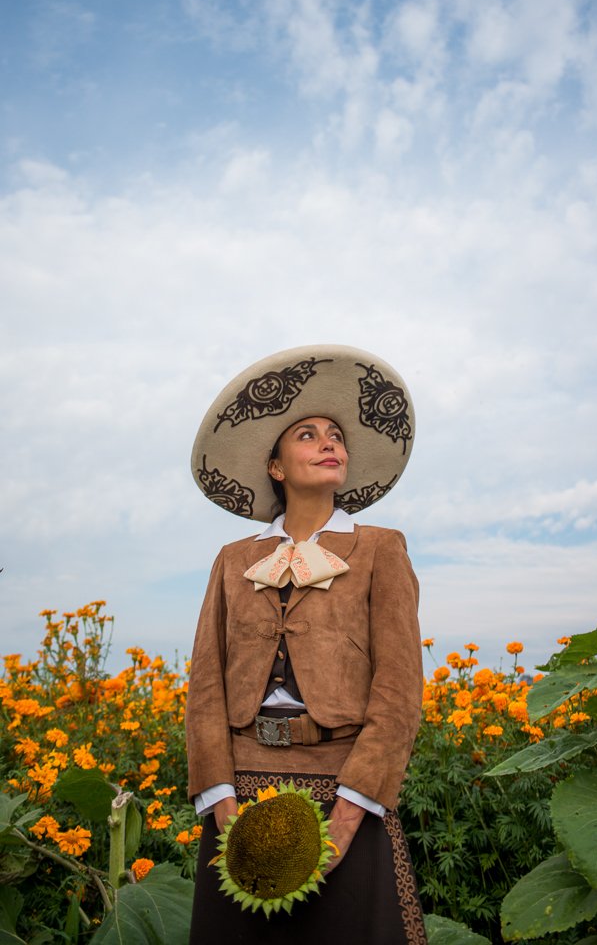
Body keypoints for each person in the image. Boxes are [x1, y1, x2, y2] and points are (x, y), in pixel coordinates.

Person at [186, 345, 427, 944]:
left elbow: (399, 691)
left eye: (337, 437)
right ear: (275, 466)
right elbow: (206, 686)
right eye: (308, 434)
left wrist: (349, 814)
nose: (331, 444)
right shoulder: (232, 560)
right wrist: (221, 803)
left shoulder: (380, 549)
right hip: (240, 793)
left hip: (345, 785)